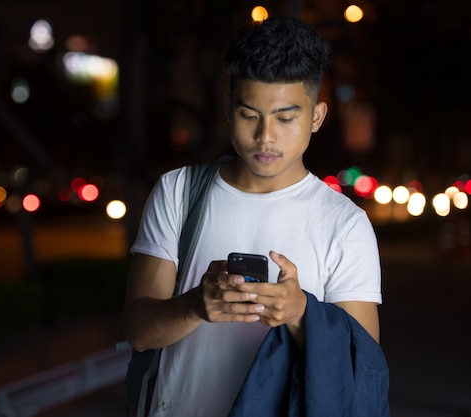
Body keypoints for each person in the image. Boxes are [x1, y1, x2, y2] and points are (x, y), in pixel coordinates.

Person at [124, 15, 383, 417]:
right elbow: (138, 332)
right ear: (229, 108)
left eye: (285, 118)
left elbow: (361, 370)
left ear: (316, 117)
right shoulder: (179, 192)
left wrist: (300, 314)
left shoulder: (345, 224)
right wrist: (196, 305)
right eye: (250, 115)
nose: (265, 136)